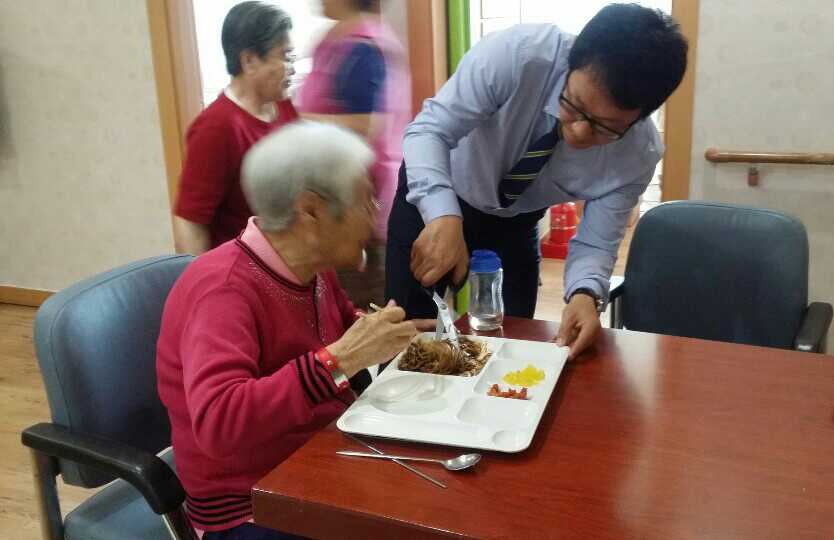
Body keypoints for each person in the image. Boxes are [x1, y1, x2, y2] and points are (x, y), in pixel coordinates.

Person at [157, 122, 433, 538]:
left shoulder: (314, 269)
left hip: (318, 456)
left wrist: (385, 334)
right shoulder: (223, 291)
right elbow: (219, 422)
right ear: (310, 211)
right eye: (364, 199)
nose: (375, 212)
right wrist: (341, 359)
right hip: (250, 502)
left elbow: (340, 326)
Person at [386, 4, 688, 358]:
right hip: (436, 192)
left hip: (516, 222)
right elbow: (429, 131)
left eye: (605, 128)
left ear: (639, 118)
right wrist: (442, 215)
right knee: (407, 335)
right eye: (573, 105)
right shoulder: (518, 56)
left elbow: (596, 242)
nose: (579, 131)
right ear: (571, 62)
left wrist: (585, 294)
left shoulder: (638, 155)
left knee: (512, 343)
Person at [297, 0, 411, 308]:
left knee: (361, 307)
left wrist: (296, 121)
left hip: (362, 207)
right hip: (335, 201)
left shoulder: (363, 46)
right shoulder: (335, 40)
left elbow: (366, 125)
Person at [172, 1, 299, 254]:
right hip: (245, 267)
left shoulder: (283, 107)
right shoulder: (216, 126)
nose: (292, 68)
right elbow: (190, 222)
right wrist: (202, 276)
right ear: (249, 61)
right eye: (285, 57)